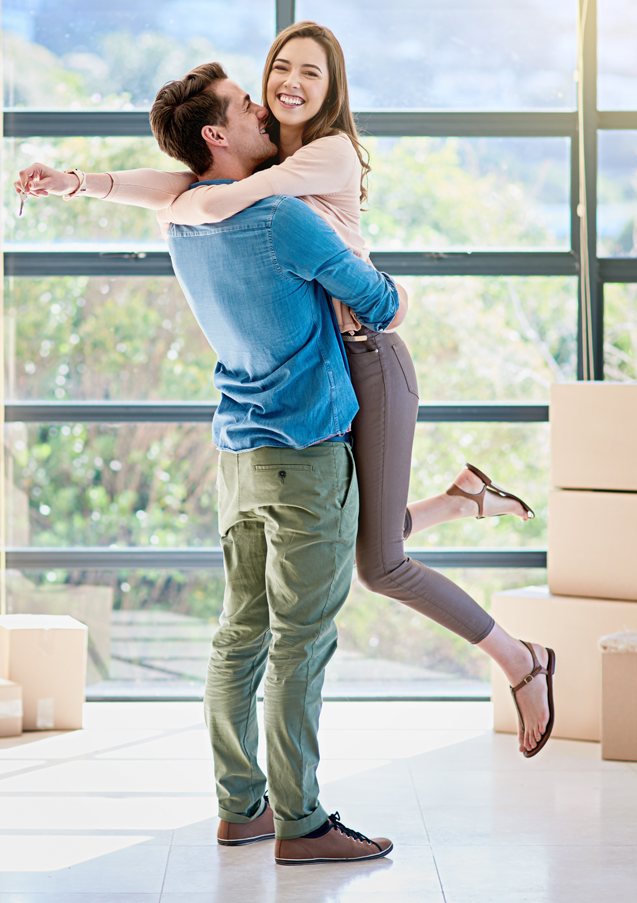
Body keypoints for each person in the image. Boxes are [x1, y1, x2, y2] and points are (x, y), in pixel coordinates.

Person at [16, 23, 557, 759]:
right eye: (274, 72)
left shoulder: (319, 155)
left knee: (381, 564)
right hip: (341, 356)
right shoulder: (267, 157)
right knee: (362, 543)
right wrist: (83, 184)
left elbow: (222, 195)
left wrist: (192, 201)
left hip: (373, 354)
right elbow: (185, 186)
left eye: (310, 71)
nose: (283, 89)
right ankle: (463, 500)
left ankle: (522, 660)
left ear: (332, 88)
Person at [83, 61, 400, 864]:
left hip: (237, 453)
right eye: (245, 105)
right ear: (217, 135)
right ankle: (304, 823)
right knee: (301, 642)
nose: (264, 107)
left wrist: (82, 181)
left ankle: (242, 809)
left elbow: (167, 192)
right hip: (306, 451)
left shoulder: (182, 220)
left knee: (238, 637)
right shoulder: (285, 219)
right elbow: (382, 303)